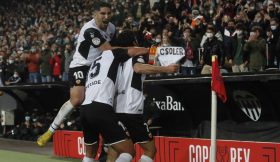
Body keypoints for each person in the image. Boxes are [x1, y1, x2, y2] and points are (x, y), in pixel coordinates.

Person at [37, 1, 117, 147]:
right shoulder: (89, 29)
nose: (106, 16)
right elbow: (108, 49)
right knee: (77, 100)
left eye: (109, 13)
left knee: (104, 100)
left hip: (98, 68)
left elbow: (115, 48)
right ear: (94, 14)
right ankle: (50, 130)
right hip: (81, 66)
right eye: (102, 13)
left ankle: (107, 140)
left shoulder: (112, 28)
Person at [107, 30, 179, 162]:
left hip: (115, 108)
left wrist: (152, 56)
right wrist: (166, 69)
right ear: (134, 42)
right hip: (131, 109)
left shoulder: (115, 59)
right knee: (150, 150)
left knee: (115, 150)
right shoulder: (135, 55)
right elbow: (139, 68)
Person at [80, 31, 150, 162]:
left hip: (84, 109)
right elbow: (140, 50)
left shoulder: (95, 61)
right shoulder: (113, 53)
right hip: (100, 106)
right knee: (128, 151)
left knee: (90, 154)